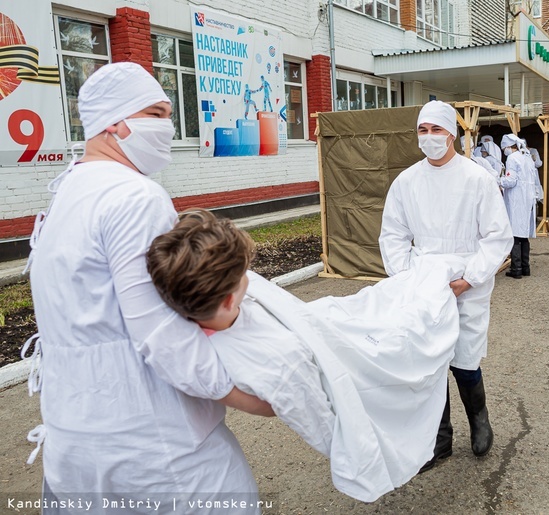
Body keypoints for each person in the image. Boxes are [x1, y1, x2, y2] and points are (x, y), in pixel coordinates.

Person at [23, 63, 264, 511]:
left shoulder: (67, 194)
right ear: (115, 122)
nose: (168, 127)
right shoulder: (135, 197)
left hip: (74, 445)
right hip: (153, 453)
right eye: (156, 113)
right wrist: (254, 400)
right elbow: (164, 336)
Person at [146, 210, 465, 502]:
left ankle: (427, 285)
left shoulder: (196, 306)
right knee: (407, 330)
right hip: (335, 346)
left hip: (324, 323)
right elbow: (303, 410)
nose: (250, 277)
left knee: (382, 303)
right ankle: (433, 290)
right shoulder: (280, 362)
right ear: (230, 300)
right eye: (244, 274)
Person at [379, 100, 513, 472]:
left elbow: (497, 236)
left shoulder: (477, 179)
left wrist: (468, 278)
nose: (429, 137)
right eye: (423, 130)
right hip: (423, 284)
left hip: (467, 280)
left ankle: (479, 421)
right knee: (430, 362)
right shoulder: (406, 182)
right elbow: (393, 234)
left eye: (436, 130)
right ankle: (440, 440)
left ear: (451, 133)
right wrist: (408, 278)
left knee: (465, 358)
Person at [499, 134, 544, 278]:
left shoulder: (512, 158)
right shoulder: (526, 156)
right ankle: (526, 267)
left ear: (508, 146)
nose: (504, 150)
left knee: (515, 233)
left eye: (505, 148)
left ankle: (516, 269)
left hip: (516, 199)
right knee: (524, 233)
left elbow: (510, 181)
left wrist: (497, 180)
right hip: (528, 198)